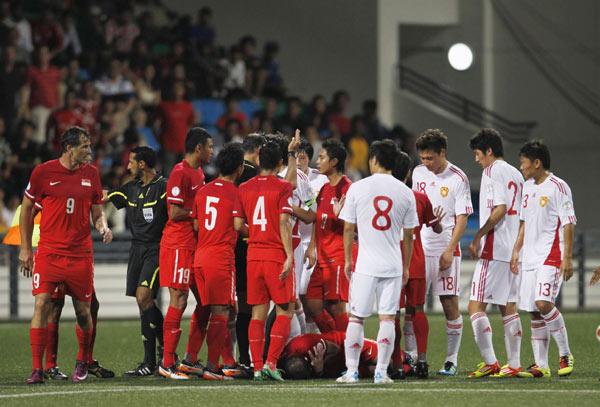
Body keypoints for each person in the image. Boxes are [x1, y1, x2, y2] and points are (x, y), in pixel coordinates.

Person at [19, 126, 113, 384]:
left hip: (80, 255)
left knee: (84, 312)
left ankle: (82, 361)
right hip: (49, 253)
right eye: (85, 146)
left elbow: (97, 211)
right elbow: (27, 210)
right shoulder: (43, 173)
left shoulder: (91, 174)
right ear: (70, 148)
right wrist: (26, 248)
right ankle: (38, 369)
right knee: (42, 305)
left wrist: (103, 227)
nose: (89, 151)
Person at [336, 140, 418, 384]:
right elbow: (409, 235)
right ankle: (381, 371)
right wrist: (405, 267)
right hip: (392, 265)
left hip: (365, 265)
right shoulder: (406, 192)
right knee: (387, 319)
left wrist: (349, 260)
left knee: (356, 319)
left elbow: (349, 228)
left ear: (373, 160)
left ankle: (351, 372)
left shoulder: (357, 188)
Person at [511, 140, 575, 378]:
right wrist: (517, 250)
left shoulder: (558, 187)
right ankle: (541, 365)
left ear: (536, 163)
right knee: (533, 311)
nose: (521, 167)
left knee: (543, 303)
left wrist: (566, 258)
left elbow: (568, 221)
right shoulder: (527, 188)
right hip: (529, 257)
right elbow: (525, 222)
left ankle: (565, 354)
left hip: (551, 255)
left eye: (523, 162)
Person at [412, 129, 473, 375]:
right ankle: (413, 356)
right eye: (423, 158)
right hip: (420, 248)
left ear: (443, 153)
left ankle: (451, 359)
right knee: (413, 305)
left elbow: (462, 218)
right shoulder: (418, 173)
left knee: (449, 303)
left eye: (430, 158)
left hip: (445, 249)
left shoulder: (458, 178)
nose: (426, 163)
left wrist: (449, 250)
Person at [466, 129, 525, 378]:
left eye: (478, 154)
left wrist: (478, 236)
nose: (477, 159)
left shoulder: (491, 171)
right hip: (514, 249)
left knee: (475, 306)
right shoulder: (517, 174)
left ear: (489, 151)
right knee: (508, 307)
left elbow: (500, 208)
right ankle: (513, 364)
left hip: (495, 247)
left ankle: (491, 362)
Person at [234, 140, 294, 381]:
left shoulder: (244, 187)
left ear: (258, 161)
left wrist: (257, 233)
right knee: (285, 310)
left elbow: (238, 225)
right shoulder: (283, 186)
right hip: (275, 256)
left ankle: (257, 367)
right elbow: (284, 221)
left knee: (257, 314)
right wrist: (290, 255)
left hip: (253, 257)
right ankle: (271, 362)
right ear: (280, 163)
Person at [106, 146, 168, 376]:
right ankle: (150, 362)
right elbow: (104, 196)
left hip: (157, 249)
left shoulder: (163, 187)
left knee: (144, 297)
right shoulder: (130, 188)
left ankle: (165, 353)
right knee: (143, 304)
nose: (127, 166)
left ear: (142, 164)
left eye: (131, 162)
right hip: (137, 250)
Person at [158, 127, 213, 379]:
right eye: (210, 146)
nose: (213, 151)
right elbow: (174, 211)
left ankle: (190, 360)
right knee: (178, 300)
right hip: (178, 244)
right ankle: (167, 362)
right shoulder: (179, 173)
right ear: (198, 148)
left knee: (205, 302)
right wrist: (197, 214)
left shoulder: (199, 173)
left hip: (194, 245)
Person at [191, 142, 246, 380]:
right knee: (222, 311)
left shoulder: (203, 191)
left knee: (205, 309)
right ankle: (213, 367)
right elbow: (238, 226)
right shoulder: (236, 193)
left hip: (200, 257)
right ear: (240, 169)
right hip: (221, 259)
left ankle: (189, 360)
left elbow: (195, 225)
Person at [391, 151, 444, 379]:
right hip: (416, 261)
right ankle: (422, 361)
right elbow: (437, 228)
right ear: (409, 173)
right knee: (418, 310)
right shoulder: (419, 197)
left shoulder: (384, 198)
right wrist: (438, 222)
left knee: (392, 315)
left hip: (392, 260)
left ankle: (396, 364)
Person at [304, 139, 353, 334]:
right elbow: (317, 218)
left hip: (338, 257)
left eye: (322, 157)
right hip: (322, 258)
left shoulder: (348, 189)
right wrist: (312, 247)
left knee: (336, 307)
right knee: (313, 304)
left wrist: (341, 215)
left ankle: (349, 351)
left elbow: (354, 227)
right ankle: (334, 341)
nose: (317, 161)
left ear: (334, 162)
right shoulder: (325, 188)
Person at [234, 134, 264, 370]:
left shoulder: (229, 170)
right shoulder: (255, 176)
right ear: (260, 150)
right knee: (258, 305)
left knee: (236, 306)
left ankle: (240, 358)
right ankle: (256, 359)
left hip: (228, 246)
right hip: (251, 245)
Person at [295, 138, 328, 333]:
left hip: (313, 243)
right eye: (296, 157)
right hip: (295, 240)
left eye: (303, 158)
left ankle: (313, 338)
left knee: (309, 294)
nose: (299, 162)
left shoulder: (320, 179)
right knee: (296, 294)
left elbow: (319, 214)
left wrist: (313, 246)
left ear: (309, 159)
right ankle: (301, 338)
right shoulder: (287, 177)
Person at [281, 331, 378, 379]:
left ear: (307, 359)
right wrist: (319, 371)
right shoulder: (283, 364)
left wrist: (322, 361)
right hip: (330, 369)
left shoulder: (305, 344)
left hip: (342, 346)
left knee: (387, 361)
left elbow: (335, 348)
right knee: (373, 371)